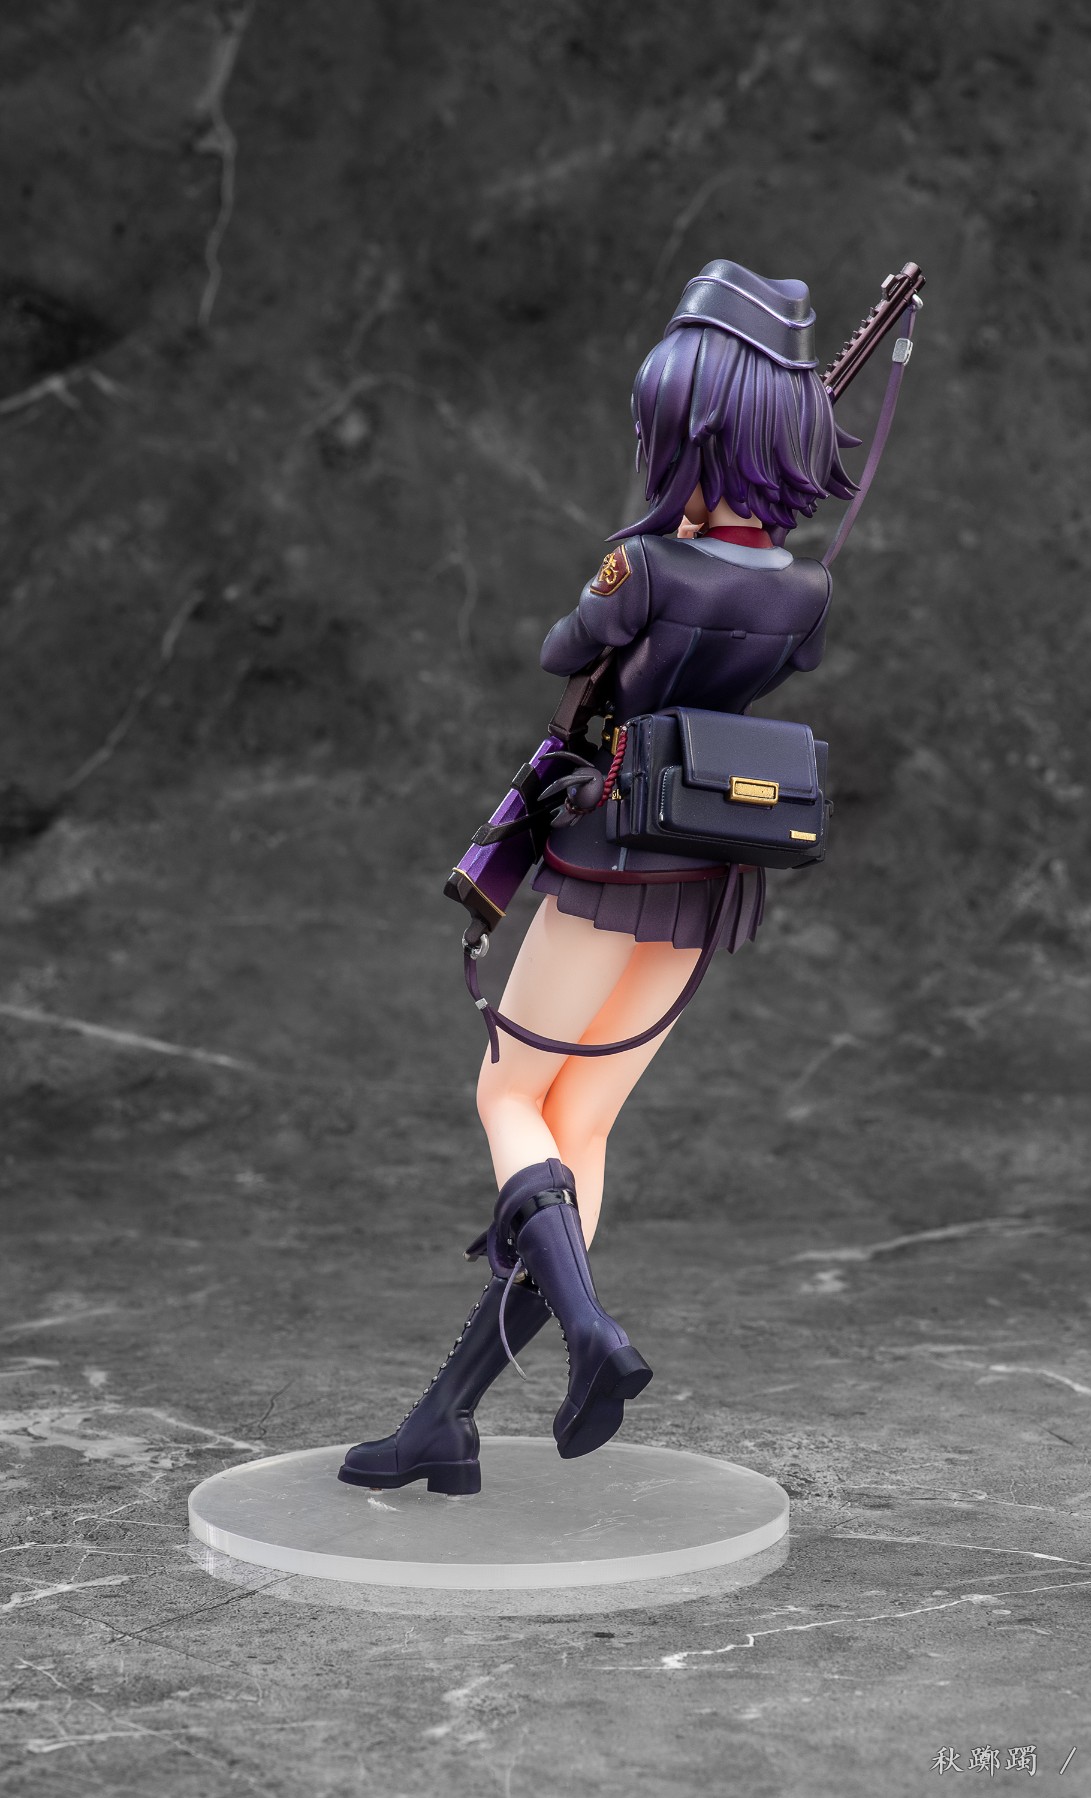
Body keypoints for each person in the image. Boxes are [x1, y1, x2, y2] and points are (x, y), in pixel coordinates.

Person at [339, 261, 857, 1496]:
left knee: (510, 1097)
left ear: (690, 435)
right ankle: (447, 1418)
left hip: (611, 858)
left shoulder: (646, 570)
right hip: (708, 882)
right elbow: (766, 645)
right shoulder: (806, 593)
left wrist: (641, 555)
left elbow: (562, 648)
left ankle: (590, 1332)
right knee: (581, 1129)